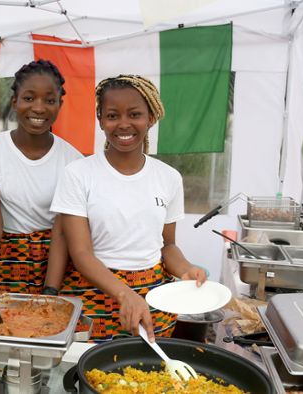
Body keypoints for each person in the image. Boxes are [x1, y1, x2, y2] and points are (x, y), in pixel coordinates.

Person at [50, 75, 206, 342]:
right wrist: (124, 294)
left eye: (135, 114)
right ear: (100, 119)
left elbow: (167, 246)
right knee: (92, 374)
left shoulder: (168, 177)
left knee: (148, 377)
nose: (124, 124)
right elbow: (81, 253)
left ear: (151, 118)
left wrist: (186, 269)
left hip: (154, 296)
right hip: (94, 293)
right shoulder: (78, 174)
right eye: (112, 115)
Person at [0, 60, 82, 293]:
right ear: (14, 102)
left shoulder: (74, 161)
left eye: (49, 100)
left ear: (60, 104)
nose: (39, 108)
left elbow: (64, 229)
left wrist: (52, 288)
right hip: (5, 254)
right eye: (29, 98)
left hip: (57, 258)